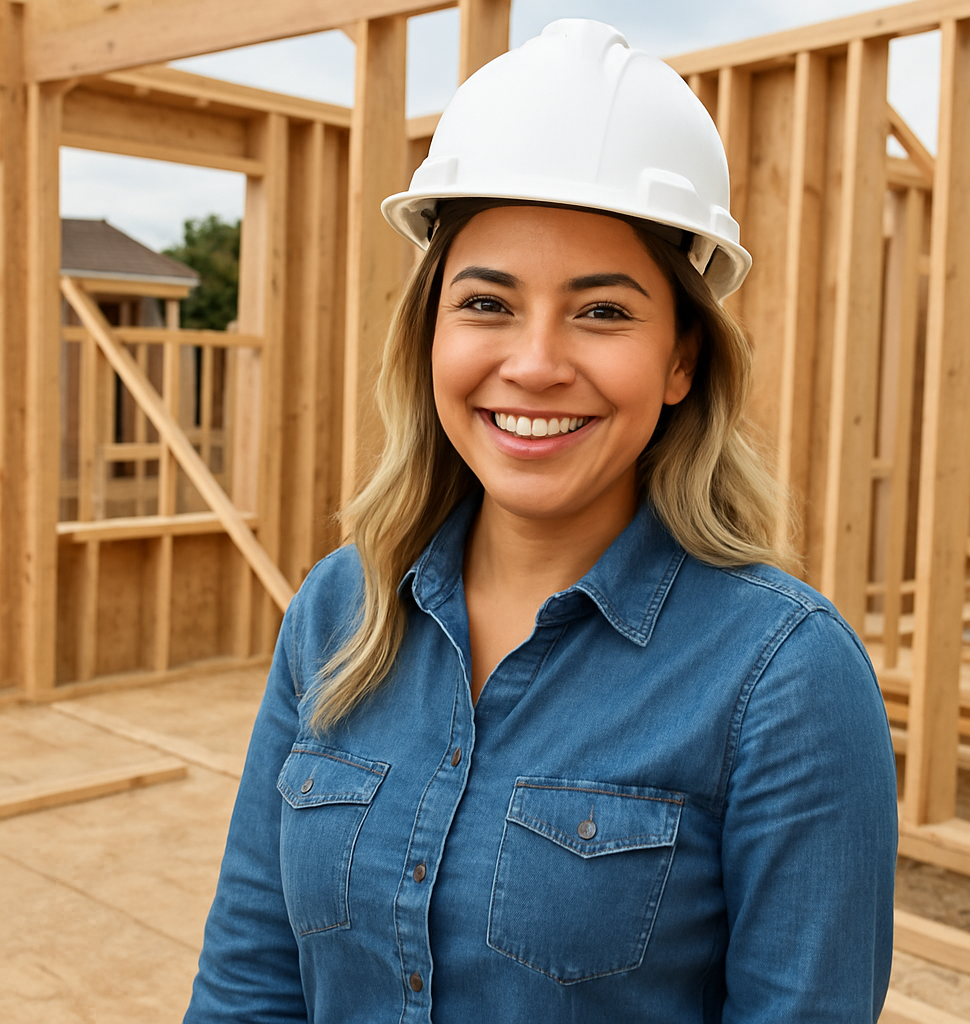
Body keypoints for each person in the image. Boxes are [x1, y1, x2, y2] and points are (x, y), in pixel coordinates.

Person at [184, 19, 898, 1024]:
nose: (533, 364)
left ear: (681, 360)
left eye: (601, 312)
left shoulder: (782, 678)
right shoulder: (339, 609)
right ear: (430, 333)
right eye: (487, 303)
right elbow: (249, 984)